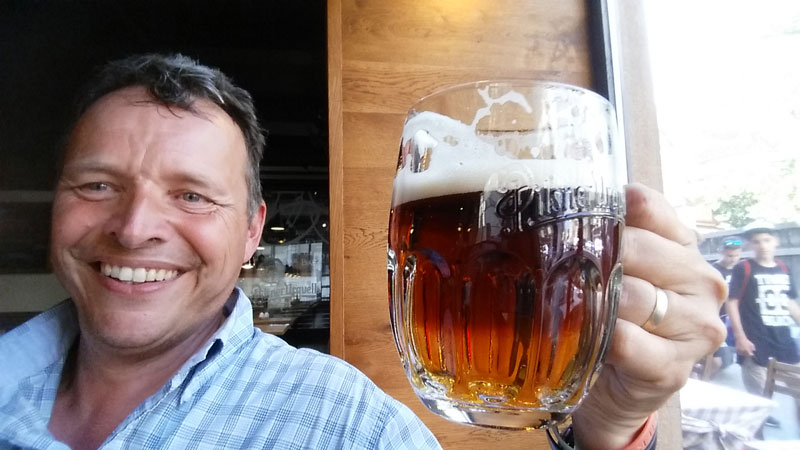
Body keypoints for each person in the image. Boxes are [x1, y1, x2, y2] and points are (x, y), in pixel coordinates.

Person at [0, 54, 726, 450]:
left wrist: (603, 439)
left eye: (192, 196)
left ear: (253, 231)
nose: (133, 229)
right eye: (97, 185)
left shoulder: (349, 427)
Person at [727, 221, 800, 427]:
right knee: (759, 402)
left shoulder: (784, 268)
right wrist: (740, 337)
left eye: (767, 240)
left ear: (775, 241)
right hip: (755, 342)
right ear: (750, 245)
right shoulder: (745, 268)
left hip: (784, 342)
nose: (763, 245)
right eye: (757, 242)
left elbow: (790, 303)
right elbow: (732, 302)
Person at [705, 236, 743, 377]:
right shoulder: (712, 270)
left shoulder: (740, 271)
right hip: (713, 319)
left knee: (723, 361)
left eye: (737, 255)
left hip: (731, 320)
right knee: (716, 361)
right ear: (721, 252)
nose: (733, 259)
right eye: (729, 255)